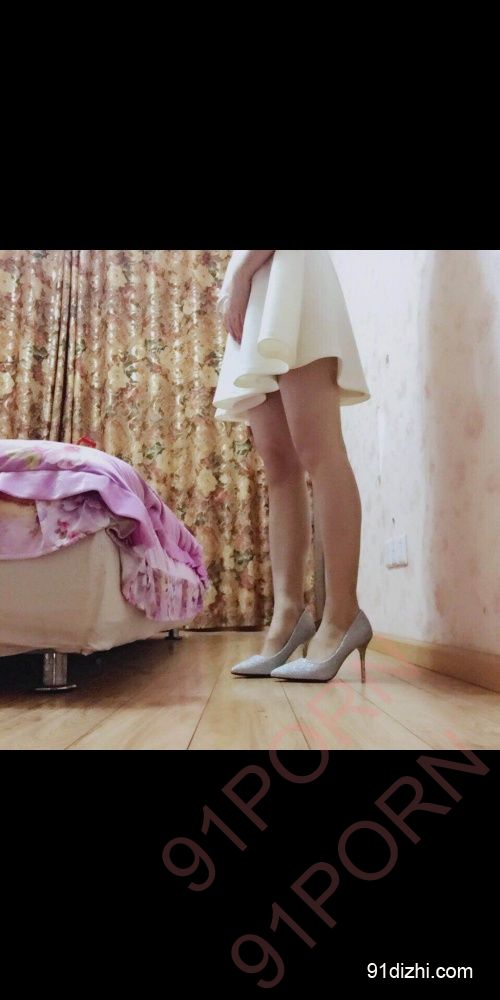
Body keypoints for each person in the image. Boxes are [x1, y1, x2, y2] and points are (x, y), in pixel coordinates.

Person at [212, 250, 373, 682]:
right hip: (257, 289)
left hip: (289, 271)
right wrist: (240, 279)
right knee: (279, 465)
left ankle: (342, 614)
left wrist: (241, 273)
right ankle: (287, 615)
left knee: (319, 450)